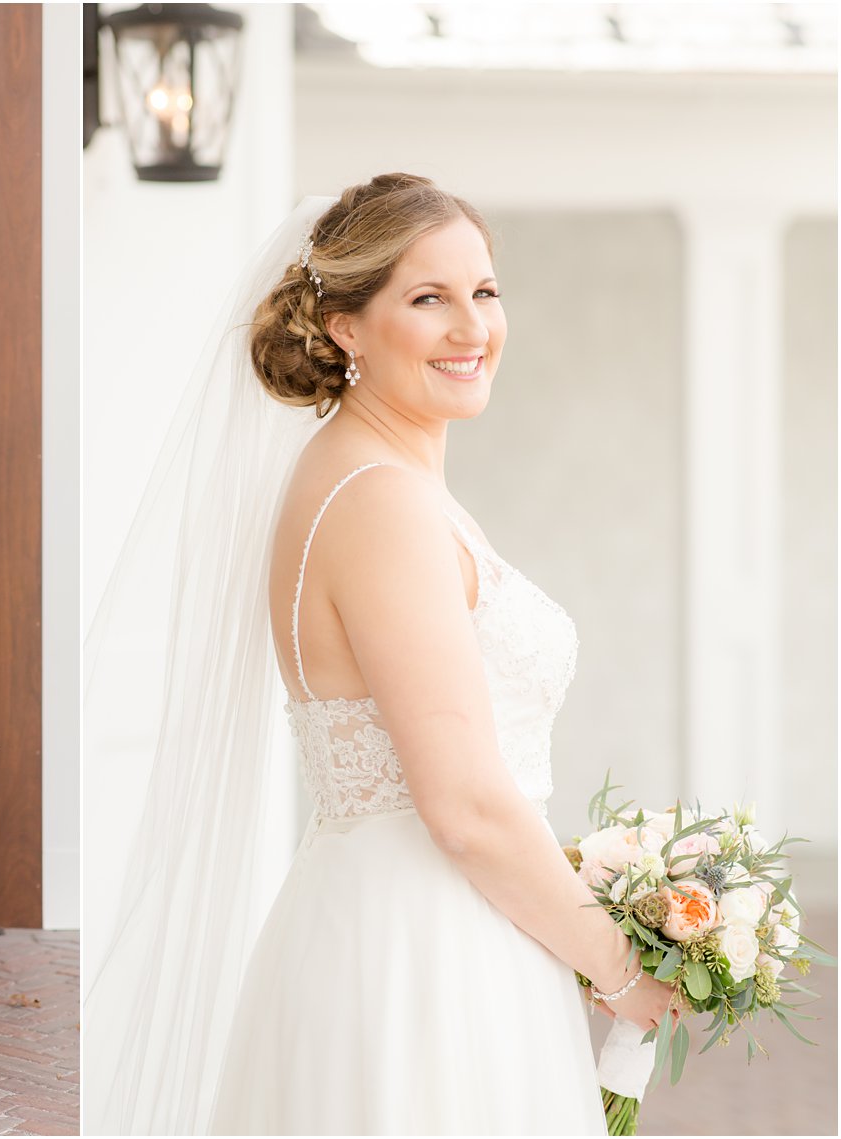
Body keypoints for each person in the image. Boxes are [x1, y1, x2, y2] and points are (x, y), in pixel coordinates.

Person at [82, 174, 675, 1134]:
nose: (472, 327)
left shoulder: (374, 476)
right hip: (427, 955)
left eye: (484, 292)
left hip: (423, 924)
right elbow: (465, 803)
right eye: (428, 297)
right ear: (347, 325)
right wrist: (614, 965)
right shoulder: (380, 501)